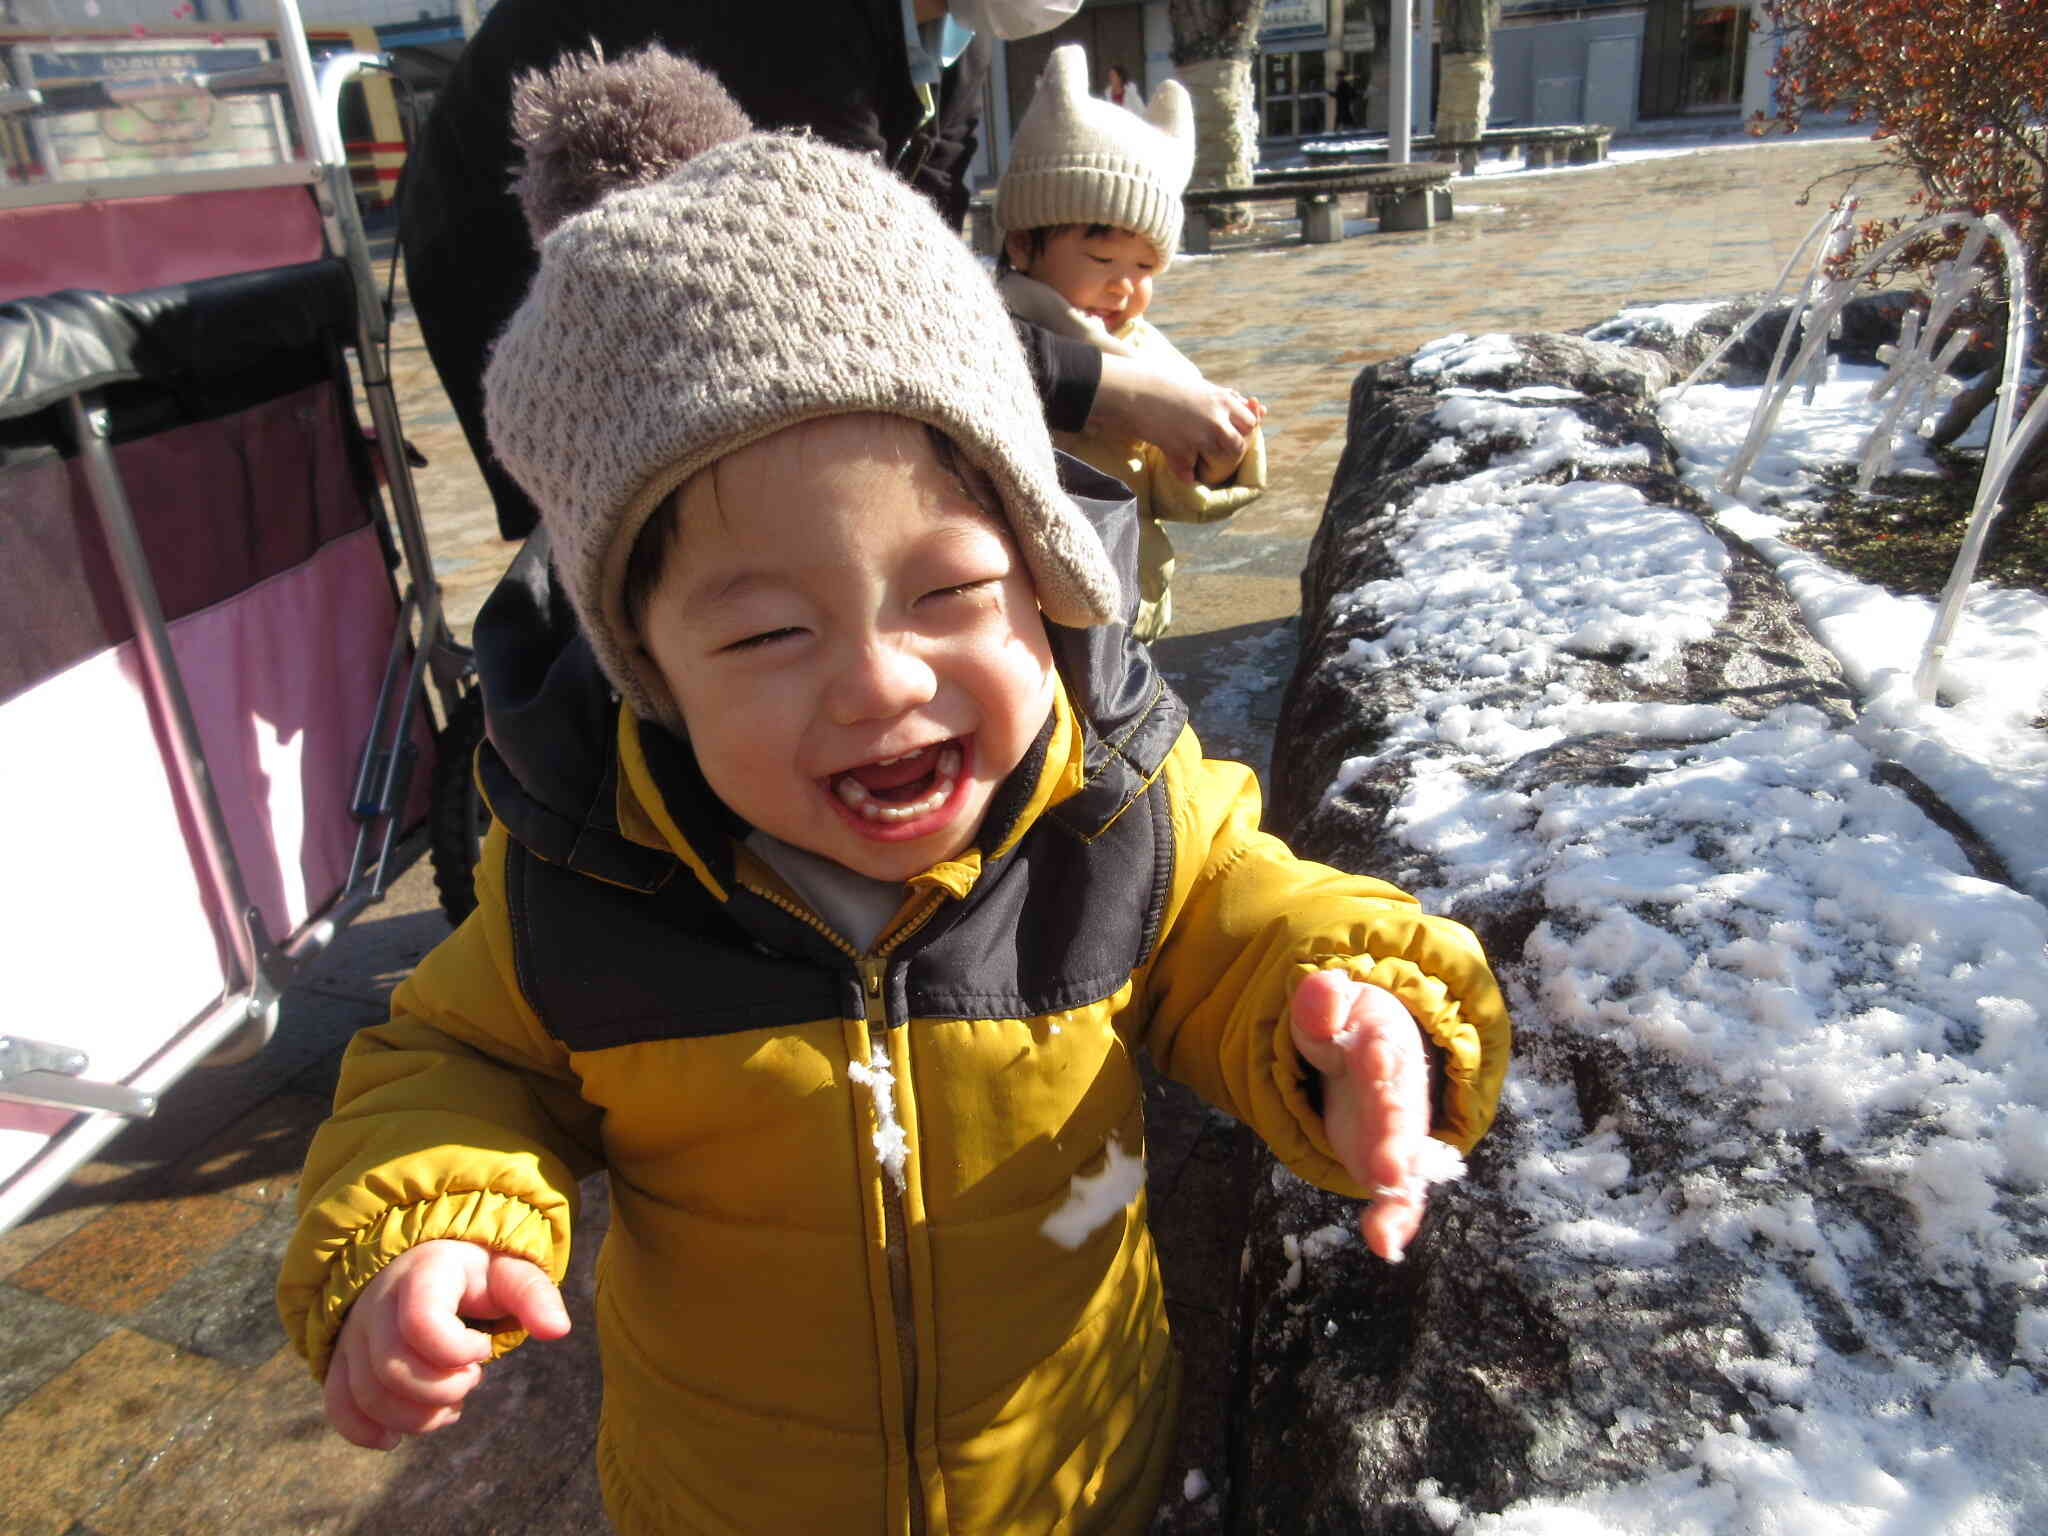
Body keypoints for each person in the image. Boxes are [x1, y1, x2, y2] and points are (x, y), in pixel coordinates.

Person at [279, 47, 1511, 1536]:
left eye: (950, 589)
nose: (878, 684)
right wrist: (431, 1224)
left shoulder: (1109, 814)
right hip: (730, 1500)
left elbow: (1246, 927)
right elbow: (456, 1066)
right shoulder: (593, 884)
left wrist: (1353, 1011)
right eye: (766, 634)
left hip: (1073, 1475)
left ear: (1045, 571)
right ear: (647, 670)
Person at [396, 0, 1252, 539]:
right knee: (647, 521)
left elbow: (923, 265)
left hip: (729, 252)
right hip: (531, 235)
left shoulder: (961, 41)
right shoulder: (791, 30)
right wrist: (1116, 390)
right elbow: (839, 297)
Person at [997, 45, 1266, 640]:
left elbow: (1175, 497)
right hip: (1025, 627)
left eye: (1147, 267)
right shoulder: (995, 338)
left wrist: (1215, 461)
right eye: (1101, 257)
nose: (1125, 286)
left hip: (1129, 619)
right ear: (1021, 244)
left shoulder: (1148, 353)